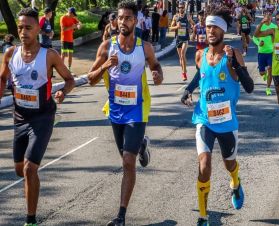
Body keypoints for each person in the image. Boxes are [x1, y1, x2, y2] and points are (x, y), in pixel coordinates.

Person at [87, 1, 163, 225]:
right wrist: (104, 67)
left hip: (138, 110)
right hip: (116, 110)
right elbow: (91, 80)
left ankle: (121, 216)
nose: (123, 22)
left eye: (128, 18)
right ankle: (141, 144)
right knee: (126, 156)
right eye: (120, 18)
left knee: (128, 162)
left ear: (136, 21)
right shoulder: (106, 47)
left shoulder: (144, 47)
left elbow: (156, 66)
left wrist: (158, 75)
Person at [0, 8, 75, 226]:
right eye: (20, 27)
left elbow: (69, 79)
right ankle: (31, 181)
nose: (23, 32)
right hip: (20, 117)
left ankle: (31, 220)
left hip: (42, 117)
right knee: (19, 170)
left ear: (38, 29)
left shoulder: (48, 55)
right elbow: (3, 78)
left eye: (28, 28)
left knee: (29, 168)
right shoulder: (10, 54)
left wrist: (63, 91)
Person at [181, 4, 254, 225]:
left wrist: (235, 65)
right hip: (204, 119)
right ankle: (203, 216)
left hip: (226, 122)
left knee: (229, 163)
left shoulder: (234, 55)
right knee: (204, 165)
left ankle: (235, 182)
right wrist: (187, 90)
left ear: (223, 31)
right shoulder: (200, 54)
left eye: (214, 27)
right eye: (207, 27)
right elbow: (199, 76)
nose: (210, 31)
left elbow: (249, 87)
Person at [170, 1, 195, 81]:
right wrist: (177, 27)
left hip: (185, 39)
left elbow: (193, 24)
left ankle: (184, 74)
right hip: (178, 39)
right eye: (180, 7)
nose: (181, 9)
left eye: (182, 7)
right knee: (180, 58)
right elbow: (170, 28)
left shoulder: (187, 16)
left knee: (182, 54)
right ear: (178, 8)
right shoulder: (175, 17)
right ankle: (183, 69)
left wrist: (191, 29)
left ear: (184, 8)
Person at [253, 11, 276, 95]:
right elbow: (254, 37)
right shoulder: (260, 27)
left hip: (271, 52)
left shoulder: (274, 27)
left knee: (270, 69)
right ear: (264, 17)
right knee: (262, 73)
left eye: (270, 16)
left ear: (271, 18)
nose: (268, 18)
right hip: (262, 52)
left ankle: (268, 88)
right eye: (266, 16)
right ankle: (264, 73)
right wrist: (258, 43)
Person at [60, 7, 82, 72]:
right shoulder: (63, 18)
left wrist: (79, 25)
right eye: (73, 14)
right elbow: (63, 29)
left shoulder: (73, 18)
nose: (74, 16)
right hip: (64, 39)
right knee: (63, 54)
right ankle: (61, 68)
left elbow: (79, 23)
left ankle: (69, 69)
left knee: (70, 54)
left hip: (71, 39)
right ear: (70, 13)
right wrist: (72, 27)